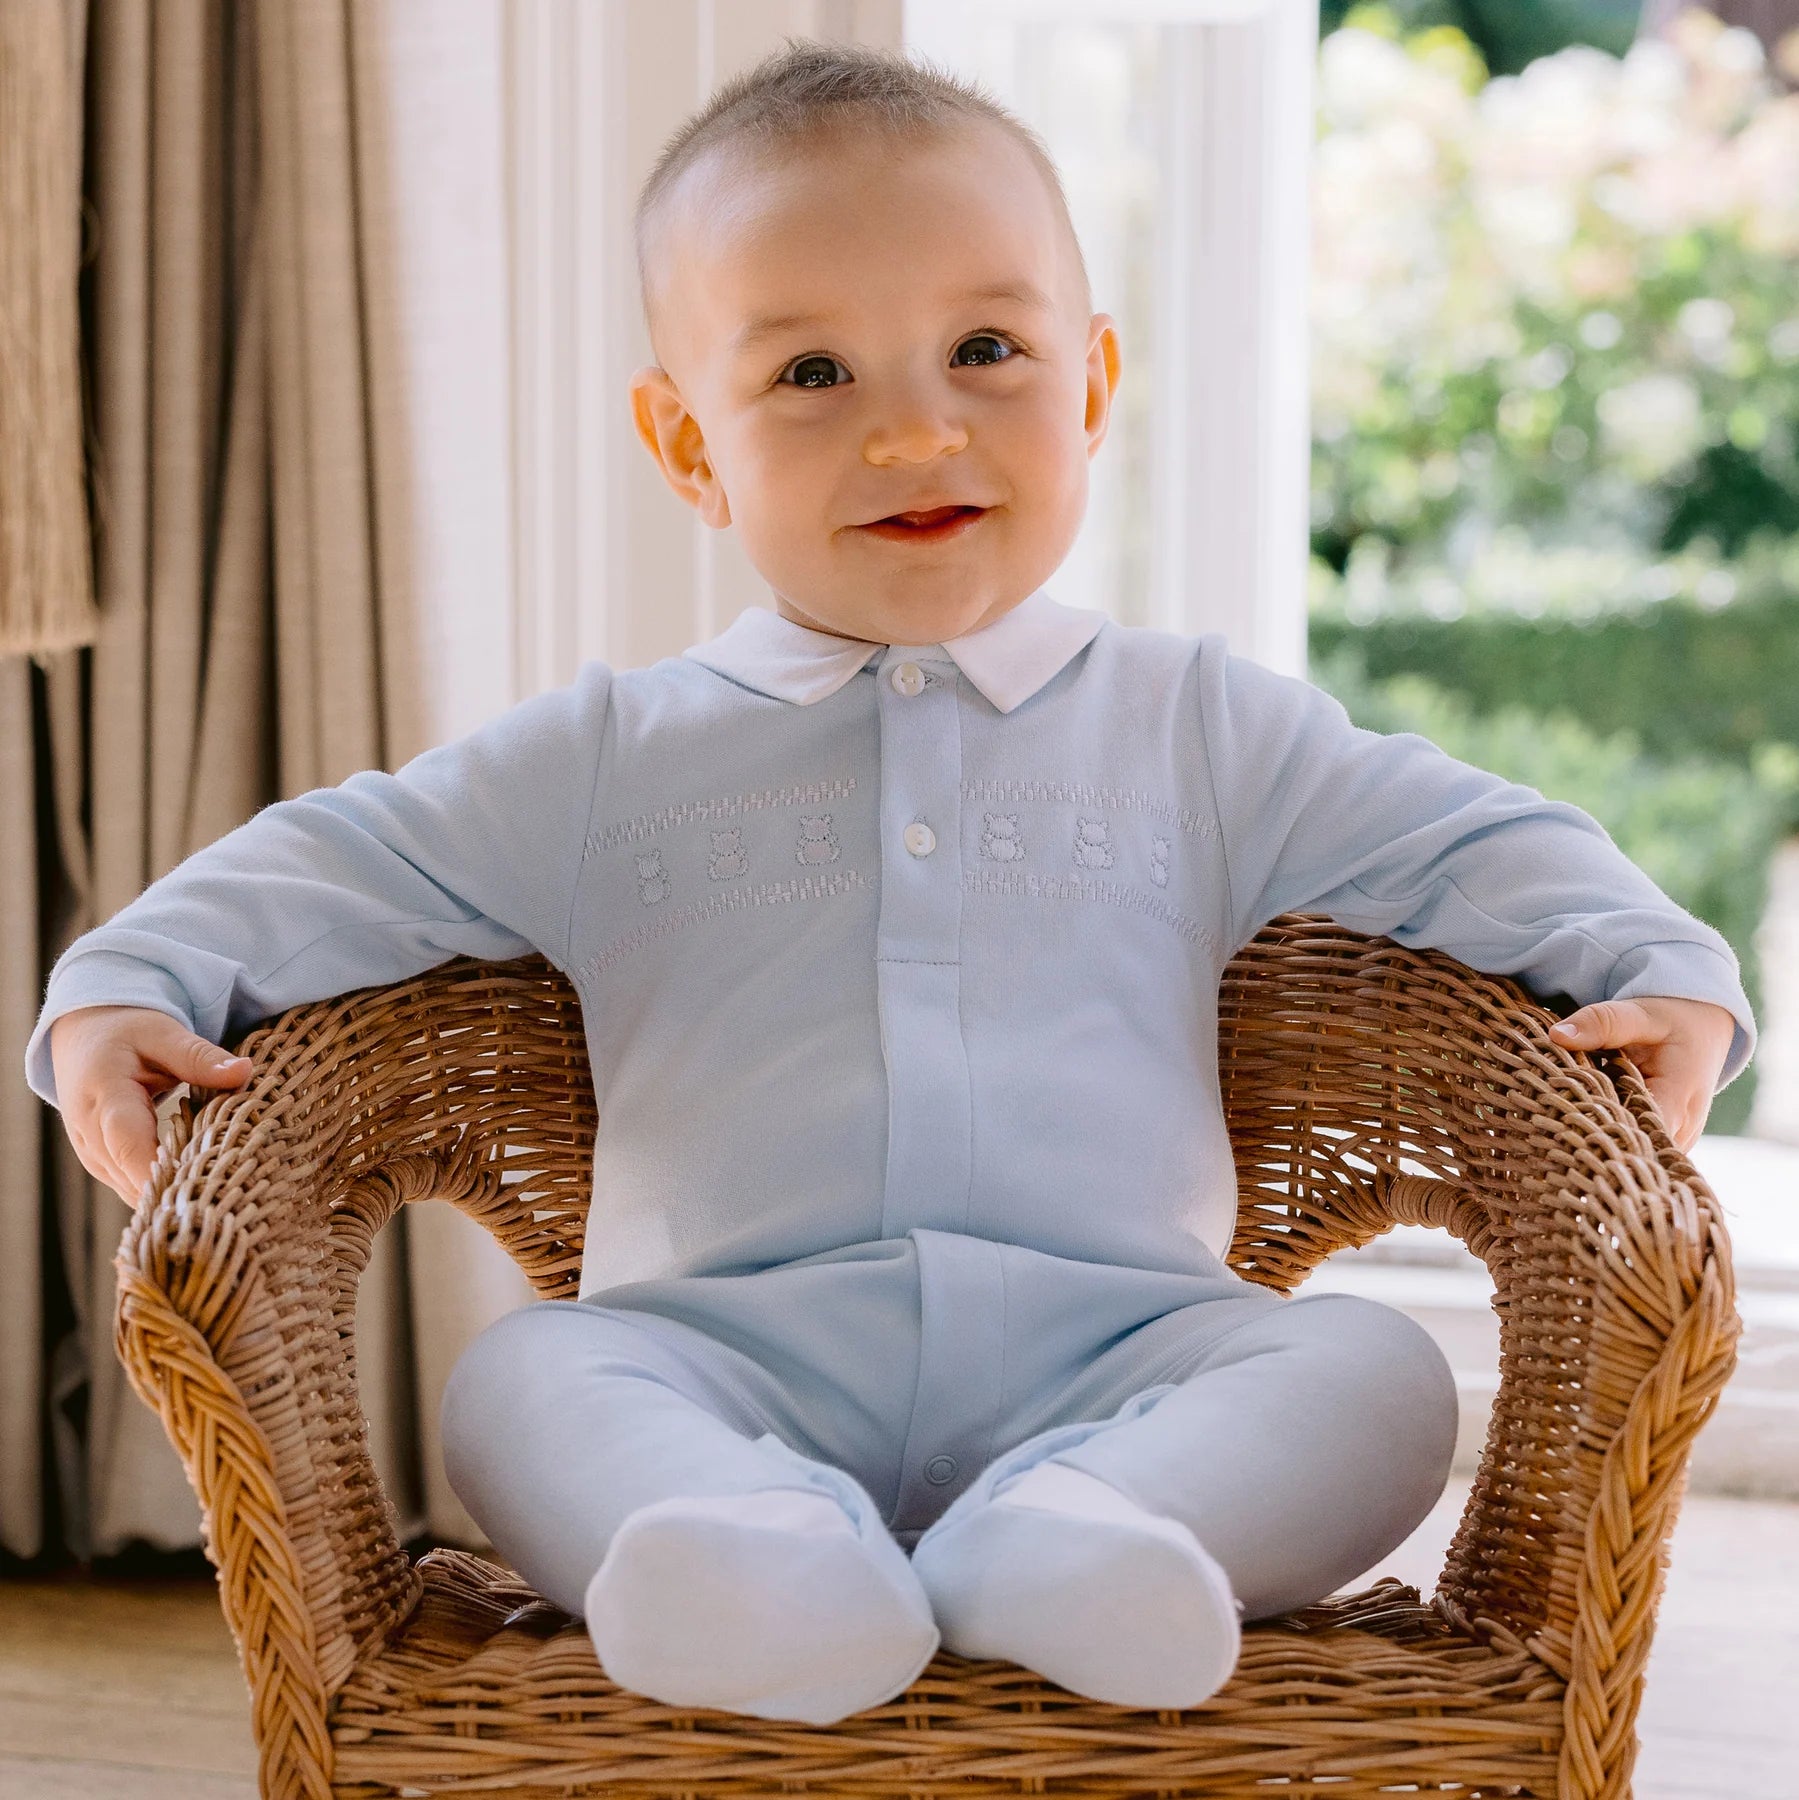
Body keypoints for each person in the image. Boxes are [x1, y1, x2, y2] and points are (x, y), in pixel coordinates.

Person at [26, 38, 1751, 1729]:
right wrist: (125, 987)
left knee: (1369, 1374)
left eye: (985, 349)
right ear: (688, 444)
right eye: (812, 377)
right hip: (722, 1365)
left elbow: (1467, 837)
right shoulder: (610, 755)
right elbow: (347, 851)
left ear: (1091, 385)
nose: (916, 434)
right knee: (525, 1378)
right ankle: (754, 1568)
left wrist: (1660, 963)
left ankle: (1082, 1545)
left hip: (1122, 1358)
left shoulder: (1201, 727)